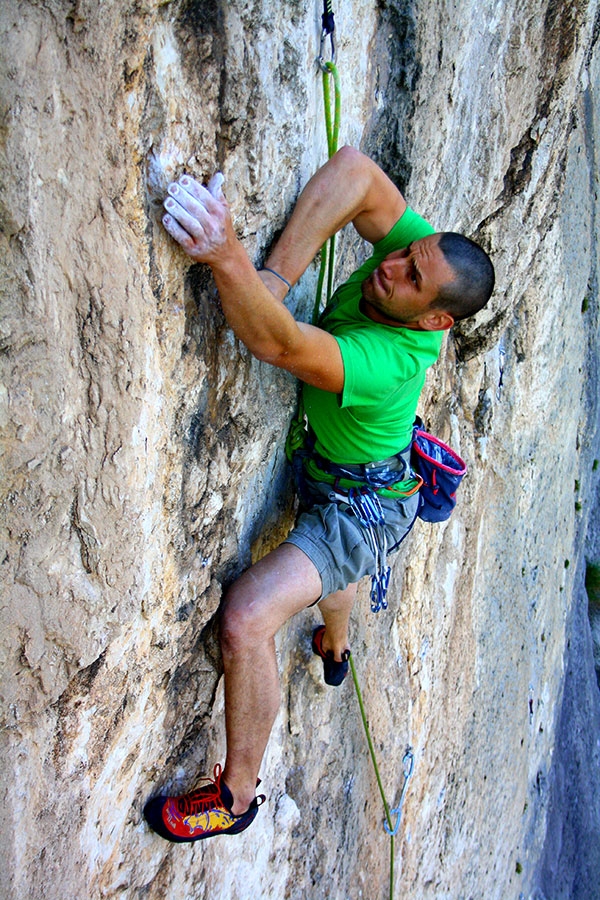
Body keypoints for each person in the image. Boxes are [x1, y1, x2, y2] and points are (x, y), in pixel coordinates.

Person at [143, 147, 495, 843]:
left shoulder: (393, 361)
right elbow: (358, 173)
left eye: (411, 276)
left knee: (247, 617)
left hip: (361, 511)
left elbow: (277, 343)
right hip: (355, 472)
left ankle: (236, 800)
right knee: (334, 583)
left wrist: (227, 255)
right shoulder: (410, 265)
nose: (390, 265)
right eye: (405, 252)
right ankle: (336, 647)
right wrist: (275, 274)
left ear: (435, 321)